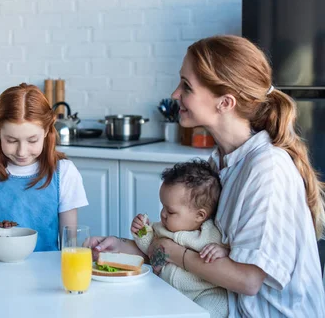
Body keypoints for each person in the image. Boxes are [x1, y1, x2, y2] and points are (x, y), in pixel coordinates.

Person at [87, 35, 325, 317]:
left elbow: (247, 280)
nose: (175, 95)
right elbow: (193, 242)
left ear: (225, 103)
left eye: (186, 86)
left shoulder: (267, 169)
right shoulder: (220, 162)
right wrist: (124, 247)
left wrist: (170, 251)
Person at [0, 83, 88, 253]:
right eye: (12, 140)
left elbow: (70, 245)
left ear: (46, 130)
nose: (22, 152)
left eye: (32, 140)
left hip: (45, 272)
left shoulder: (65, 173)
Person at [131, 159, 228, 318]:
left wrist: (223, 251)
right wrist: (141, 231)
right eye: (163, 207)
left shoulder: (211, 234)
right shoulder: (162, 229)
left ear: (199, 215)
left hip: (204, 293)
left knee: (211, 309)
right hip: (170, 292)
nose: (163, 214)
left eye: (170, 211)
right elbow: (151, 249)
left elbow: (232, 254)